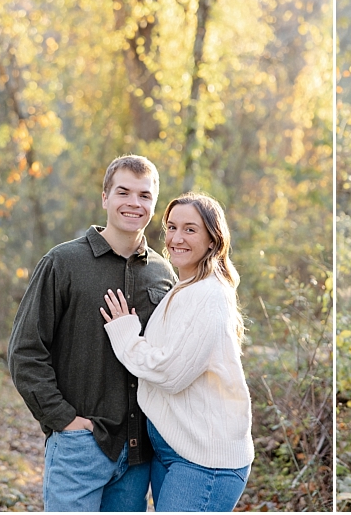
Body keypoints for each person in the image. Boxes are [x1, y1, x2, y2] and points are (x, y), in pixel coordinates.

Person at [8, 155, 176, 511]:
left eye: (144, 195)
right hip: (79, 447)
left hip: (139, 455)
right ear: (104, 198)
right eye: (123, 192)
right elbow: (25, 350)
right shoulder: (63, 262)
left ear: (154, 203)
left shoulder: (164, 274)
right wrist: (64, 420)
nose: (134, 203)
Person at [101, 191, 254, 512]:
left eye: (190, 229)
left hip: (205, 460)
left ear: (213, 240)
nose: (176, 238)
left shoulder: (210, 296)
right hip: (174, 448)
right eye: (171, 227)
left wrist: (125, 334)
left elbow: (171, 375)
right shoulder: (184, 288)